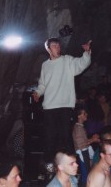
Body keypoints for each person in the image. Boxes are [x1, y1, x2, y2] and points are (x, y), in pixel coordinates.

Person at [33, 37, 92, 172]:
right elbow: (42, 84)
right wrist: (37, 93)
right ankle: (49, 164)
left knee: (64, 137)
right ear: (48, 49)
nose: (58, 48)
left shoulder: (67, 60)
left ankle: (67, 166)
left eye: (59, 46)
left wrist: (86, 53)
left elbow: (80, 65)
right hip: (49, 107)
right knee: (49, 137)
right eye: (54, 46)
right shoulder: (45, 65)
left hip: (65, 106)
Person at [72, 104, 99, 185]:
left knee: (86, 173)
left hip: (84, 152)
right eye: (84, 113)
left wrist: (92, 139)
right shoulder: (78, 128)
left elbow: (83, 141)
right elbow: (81, 145)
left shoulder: (80, 127)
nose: (86, 115)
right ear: (79, 116)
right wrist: (93, 140)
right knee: (86, 174)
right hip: (82, 153)